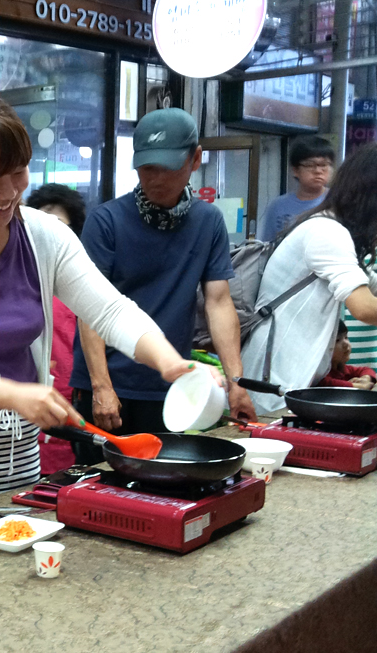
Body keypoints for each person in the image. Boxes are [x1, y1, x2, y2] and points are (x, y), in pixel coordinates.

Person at [0, 94, 208, 520]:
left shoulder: (42, 235)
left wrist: (167, 360)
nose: (9, 192)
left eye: (17, 172)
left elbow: (109, 309)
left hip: (18, 456)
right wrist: (13, 394)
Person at [69, 108, 256, 464]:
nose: (155, 179)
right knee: (102, 486)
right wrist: (102, 386)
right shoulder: (105, 221)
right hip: (110, 385)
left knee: (164, 478)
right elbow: (89, 308)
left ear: (196, 159)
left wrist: (236, 381)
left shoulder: (208, 222)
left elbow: (218, 303)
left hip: (174, 388)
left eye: (168, 168)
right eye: (146, 168)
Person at [242, 144, 377, 413]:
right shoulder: (326, 232)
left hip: (296, 382)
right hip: (274, 387)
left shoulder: (339, 232)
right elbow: (365, 308)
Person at [26, 184, 86, 474]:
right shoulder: (18, 277)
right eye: (41, 223)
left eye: (58, 224)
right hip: (22, 397)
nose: (48, 233)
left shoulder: (80, 282)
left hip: (68, 394)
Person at [258, 137, 334, 242]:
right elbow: (267, 247)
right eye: (310, 165)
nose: (318, 171)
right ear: (295, 170)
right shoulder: (278, 206)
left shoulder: (338, 202)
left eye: (323, 165)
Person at [316, 320, 376, 389]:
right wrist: (357, 386)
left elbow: (365, 369)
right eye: (337, 340)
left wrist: (365, 378)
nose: (346, 344)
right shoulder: (319, 376)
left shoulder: (344, 369)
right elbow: (325, 383)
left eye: (346, 337)